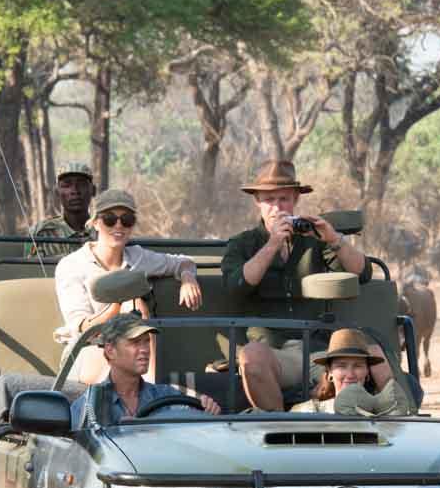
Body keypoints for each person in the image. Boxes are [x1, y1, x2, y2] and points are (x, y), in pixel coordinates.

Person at [221, 159, 383, 410]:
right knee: (251, 357)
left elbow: (363, 273)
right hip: (272, 351)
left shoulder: (314, 241)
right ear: (257, 202)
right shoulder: (242, 244)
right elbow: (237, 286)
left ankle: (390, 418)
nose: (277, 207)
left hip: (319, 350)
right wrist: (273, 243)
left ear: (296, 199)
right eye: (269, 200)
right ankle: (280, 428)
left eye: (284, 199)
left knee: (375, 355)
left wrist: (333, 238)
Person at [54, 188, 201, 382]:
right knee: (131, 305)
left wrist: (188, 279)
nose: (119, 225)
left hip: (133, 355)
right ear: (96, 223)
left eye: (127, 220)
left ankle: (147, 392)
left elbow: (182, 262)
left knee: (135, 305)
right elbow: (81, 328)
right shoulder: (72, 265)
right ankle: (144, 395)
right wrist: (116, 307)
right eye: (109, 219)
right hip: (87, 351)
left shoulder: (138, 257)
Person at [71, 314, 219, 424]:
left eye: (146, 342)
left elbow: (193, 431)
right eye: (135, 342)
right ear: (110, 351)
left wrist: (207, 411)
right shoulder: (90, 404)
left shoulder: (165, 396)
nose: (145, 350)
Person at [296, 329, 413, 414]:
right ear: (330, 372)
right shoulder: (308, 412)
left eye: (358, 366)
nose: (350, 374)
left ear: (367, 372)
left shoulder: (384, 412)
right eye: (341, 366)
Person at [29, 161, 96, 244]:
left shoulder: (105, 230)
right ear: (57, 192)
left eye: (82, 184)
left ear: (93, 190)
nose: (74, 191)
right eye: (66, 185)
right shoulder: (41, 234)